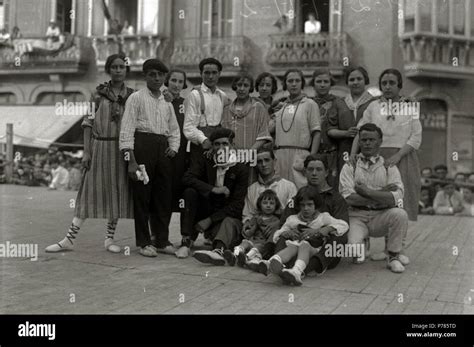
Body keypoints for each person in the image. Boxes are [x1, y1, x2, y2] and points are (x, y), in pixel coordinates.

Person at [46, 54, 134, 253]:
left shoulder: (132, 96)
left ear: (126, 70)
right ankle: (69, 239)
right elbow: (88, 122)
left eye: (122, 67)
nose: (119, 70)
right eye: (115, 67)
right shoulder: (98, 94)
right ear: (109, 70)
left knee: (117, 192)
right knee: (88, 193)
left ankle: (109, 239)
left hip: (121, 149)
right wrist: (86, 151)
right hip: (99, 147)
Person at [119, 59, 180, 257]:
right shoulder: (135, 98)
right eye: (152, 74)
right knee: (142, 196)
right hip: (142, 146)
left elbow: (174, 129)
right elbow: (126, 130)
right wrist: (131, 160)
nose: (156, 78)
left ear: (164, 78)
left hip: (162, 148)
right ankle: (144, 242)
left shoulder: (166, 101)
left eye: (160, 75)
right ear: (145, 76)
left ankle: (161, 240)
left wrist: (173, 147)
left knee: (163, 196)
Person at [352, 68, 422, 223]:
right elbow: (361, 132)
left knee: (399, 199)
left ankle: (395, 244)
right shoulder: (373, 107)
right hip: (376, 157)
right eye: (384, 83)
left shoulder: (410, 107)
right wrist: (353, 155)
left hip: (403, 157)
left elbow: (416, 137)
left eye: (392, 83)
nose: (388, 87)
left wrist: (398, 155)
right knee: (376, 196)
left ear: (399, 86)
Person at [340, 123, 409, 273]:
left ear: (380, 142)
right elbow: (349, 199)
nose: (368, 143)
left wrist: (367, 192)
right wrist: (383, 192)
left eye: (372, 140)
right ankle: (362, 243)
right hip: (356, 216)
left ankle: (393, 256)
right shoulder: (349, 166)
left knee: (400, 214)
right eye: (364, 140)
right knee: (352, 250)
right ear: (359, 142)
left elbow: (396, 198)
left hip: (380, 216)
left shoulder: (388, 166)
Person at [180, 128, 249, 265]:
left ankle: (218, 251)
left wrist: (210, 220)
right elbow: (187, 178)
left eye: (225, 144)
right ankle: (186, 241)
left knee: (226, 229)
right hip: (207, 209)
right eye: (217, 144)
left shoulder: (240, 168)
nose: (221, 148)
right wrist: (213, 189)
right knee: (190, 192)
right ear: (212, 147)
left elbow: (237, 205)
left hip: (225, 217)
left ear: (232, 146)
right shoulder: (206, 161)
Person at [267, 186, 349, 285]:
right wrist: (287, 232)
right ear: (298, 206)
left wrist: (323, 229)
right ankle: (274, 261)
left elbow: (344, 225)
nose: (306, 208)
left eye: (310, 205)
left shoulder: (323, 217)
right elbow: (278, 234)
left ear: (316, 205)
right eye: (302, 205)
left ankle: (297, 272)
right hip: (296, 249)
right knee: (292, 247)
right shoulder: (293, 219)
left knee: (304, 245)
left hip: (315, 251)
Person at [270, 68, 321, 188]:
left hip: (300, 155)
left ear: (302, 83)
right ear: (285, 84)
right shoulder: (282, 106)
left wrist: (310, 160)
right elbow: (269, 130)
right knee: (279, 193)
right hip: (280, 156)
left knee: (300, 193)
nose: (293, 84)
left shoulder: (310, 104)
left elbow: (317, 133)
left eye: (297, 81)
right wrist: (272, 112)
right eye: (290, 81)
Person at [221, 72, 272, 183]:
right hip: (230, 157)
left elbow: (264, 134)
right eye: (239, 85)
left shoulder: (258, 107)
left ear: (250, 88)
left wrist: (248, 154)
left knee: (250, 187)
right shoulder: (226, 109)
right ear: (235, 87)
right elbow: (223, 135)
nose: (242, 89)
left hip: (251, 157)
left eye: (246, 86)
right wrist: (231, 154)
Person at [328, 67, 375, 178]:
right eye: (352, 80)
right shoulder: (339, 102)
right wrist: (346, 133)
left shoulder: (374, 102)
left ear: (366, 80)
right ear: (347, 82)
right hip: (344, 150)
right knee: (346, 181)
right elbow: (330, 130)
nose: (355, 82)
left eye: (359, 79)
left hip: (368, 149)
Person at [183, 58, 230, 166]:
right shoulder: (194, 95)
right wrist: (203, 140)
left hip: (219, 146)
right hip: (200, 146)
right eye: (207, 73)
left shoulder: (222, 96)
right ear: (201, 74)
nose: (210, 76)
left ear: (219, 74)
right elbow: (188, 127)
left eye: (214, 73)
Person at [223, 189, 281, 267]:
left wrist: (261, 226)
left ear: (276, 206)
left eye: (271, 203)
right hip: (252, 240)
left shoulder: (275, 220)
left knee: (257, 247)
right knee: (244, 243)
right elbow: (248, 233)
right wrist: (255, 225)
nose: (268, 205)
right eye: (265, 203)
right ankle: (235, 255)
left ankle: (246, 258)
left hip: (262, 244)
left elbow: (271, 236)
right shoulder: (255, 218)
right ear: (260, 205)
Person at [311, 68, 339, 187]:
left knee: (332, 186)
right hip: (312, 153)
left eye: (326, 82)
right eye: (319, 82)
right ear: (313, 83)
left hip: (332, 153)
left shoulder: (339, 103)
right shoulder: (308, 103)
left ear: (330, 83)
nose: (322, 85)